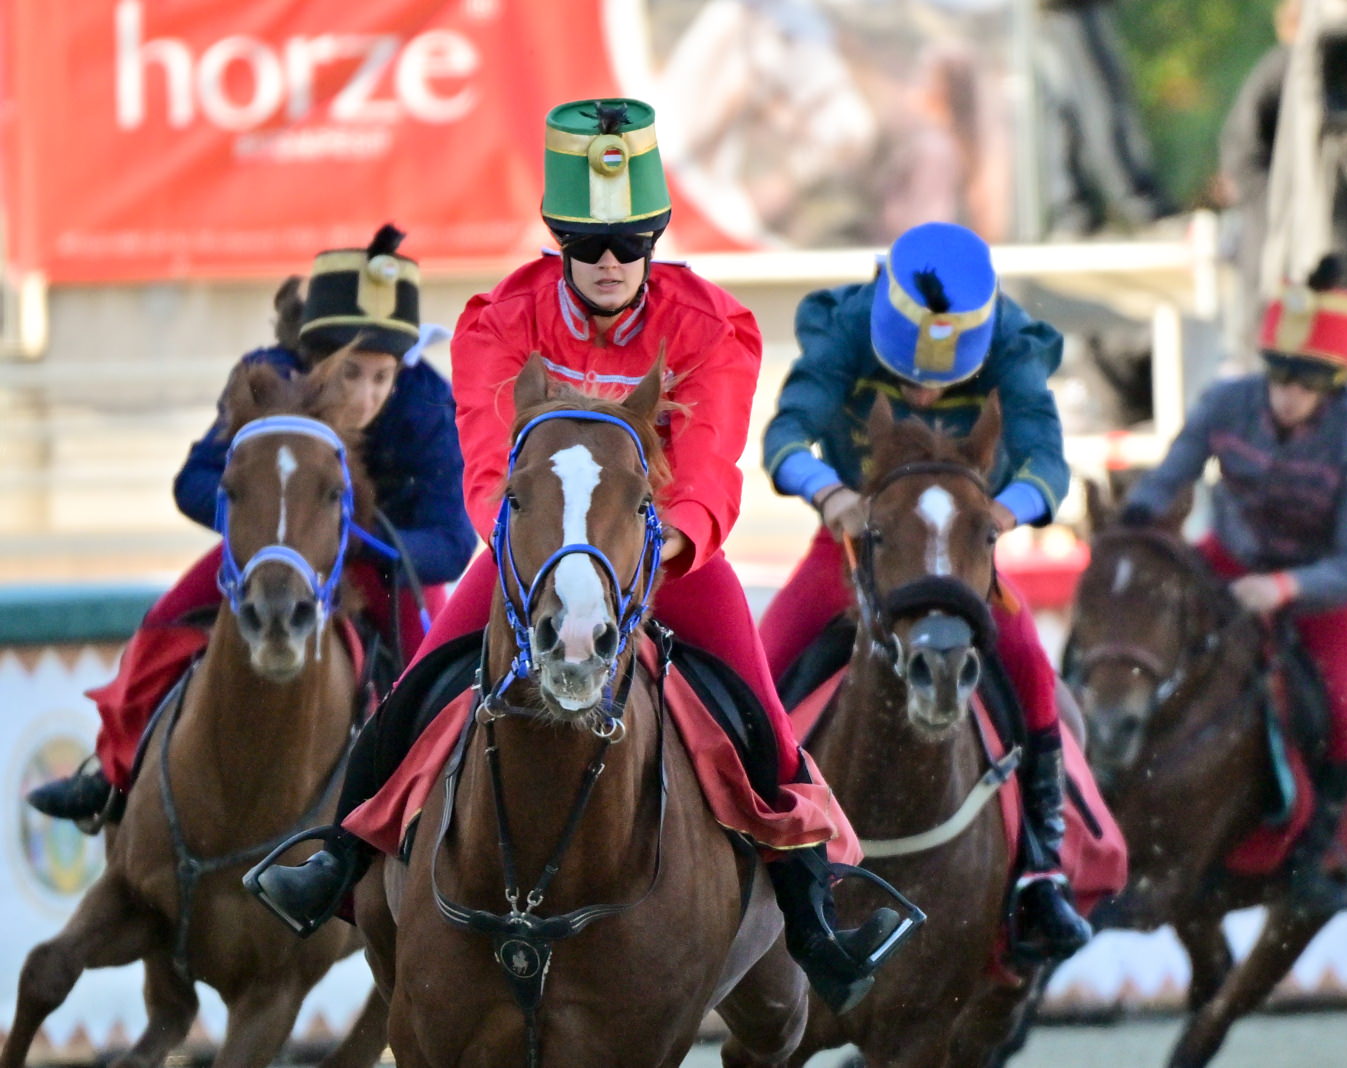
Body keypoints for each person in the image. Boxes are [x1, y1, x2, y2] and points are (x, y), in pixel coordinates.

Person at [247, 98, 909, 1016]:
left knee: (763, 720)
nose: (609, 263)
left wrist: (661, 546)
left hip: (660, 553)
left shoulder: (713, 325)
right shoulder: (498, 320)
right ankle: (336, 860)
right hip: (531, 550)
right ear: (559, 240)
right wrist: (532, 553)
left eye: (630, 245)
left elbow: (709, 465)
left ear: (654, 241)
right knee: (418, 687)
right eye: (589, 244)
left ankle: (816, 920)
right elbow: (489, 466)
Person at [26, 224, 477, 828]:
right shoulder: (264, 380)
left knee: (433, 674)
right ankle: (112, 775)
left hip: (380, 565)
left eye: (382, 376)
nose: (367, 396)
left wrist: (351, 539)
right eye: (350, 373)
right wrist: (267, 522)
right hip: (271, 550)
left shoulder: (427, 402)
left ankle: (423, 818)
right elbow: (193, 481)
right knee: (162, 624)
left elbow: (453, 544)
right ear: (314, 359)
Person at [760, 220, 1095, 962]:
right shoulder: (845, 325)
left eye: (943, 379)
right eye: (907, 375)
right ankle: (736, 853)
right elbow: (785, 436)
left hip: (963, 548)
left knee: (1032, 669)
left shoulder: (1011, 340)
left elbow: (1047, 460)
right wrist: (829, 493)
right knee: (758, 664)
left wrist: (1003, 513)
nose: (925, 391)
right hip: (855, 541)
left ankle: (1041, 866)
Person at [1117, 266, 1347, 916]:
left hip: (1320, 589)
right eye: (1278, 377)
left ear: (1332, 386)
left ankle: (1314, 859)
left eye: (1303, 384)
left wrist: (1285, 587)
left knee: (1345, 715)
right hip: (1226, 559)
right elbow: (1171, 474)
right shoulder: (1225, 403)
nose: (1285, 395)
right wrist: (1134, 519)